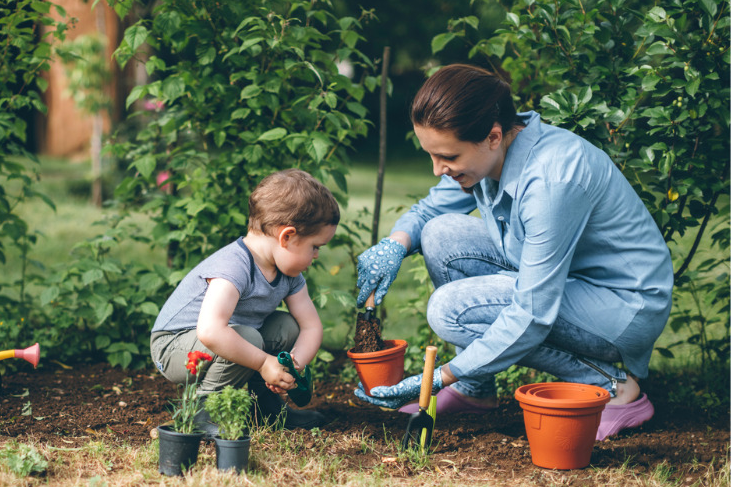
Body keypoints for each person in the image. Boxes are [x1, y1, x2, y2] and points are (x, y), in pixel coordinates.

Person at [353, 64, 673, 441]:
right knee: (440, 235)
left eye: (448, 157)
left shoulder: (551, 179)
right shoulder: (491, 153)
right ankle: (477, 391)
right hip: (571, 281)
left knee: (449, 310)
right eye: (432, 155)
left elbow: (533, 313)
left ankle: (614, 388)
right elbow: (428, 213)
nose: (438, 169)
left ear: (492, 136)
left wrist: (445, 374)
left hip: (622, 306)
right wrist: (395, 244)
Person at [151, 169, 338, 438]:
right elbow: (211, 331)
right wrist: (264, 364)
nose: (317, 255)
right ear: (286, 236)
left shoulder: (289, 273)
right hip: (173, 347)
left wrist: (290, 368)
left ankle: (267, 408)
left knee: (286, 325)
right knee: (248, 338)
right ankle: (202, 413)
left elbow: (310, 327)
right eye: (315, 247)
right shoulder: (234, 266)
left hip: (226, 338)